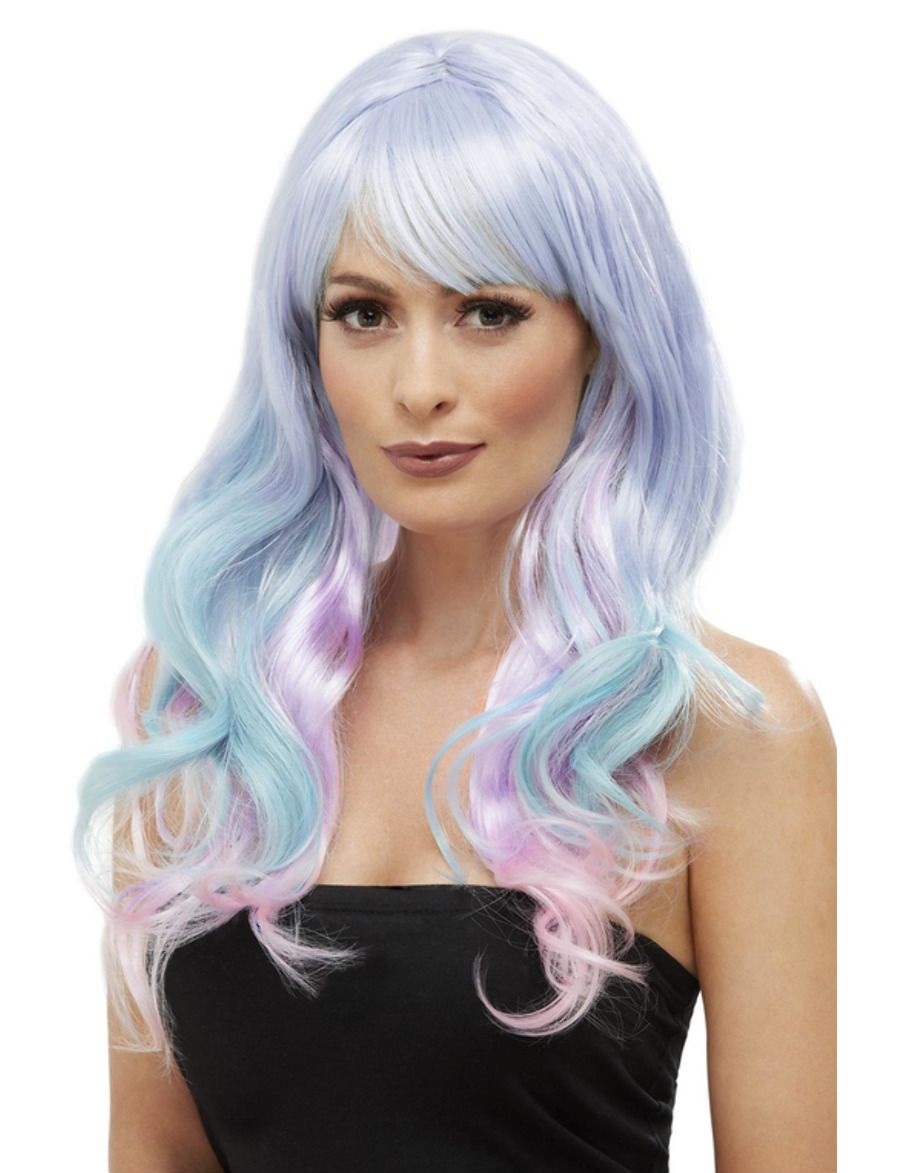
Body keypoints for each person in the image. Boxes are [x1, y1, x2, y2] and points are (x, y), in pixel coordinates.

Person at [74, 29, 836, 1173]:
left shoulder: (723, 731)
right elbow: (156, 1156)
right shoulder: (206, 700)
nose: (419, 386)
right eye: (364, 313)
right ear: (305, 348)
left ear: (601, 337)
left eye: (487, 311)